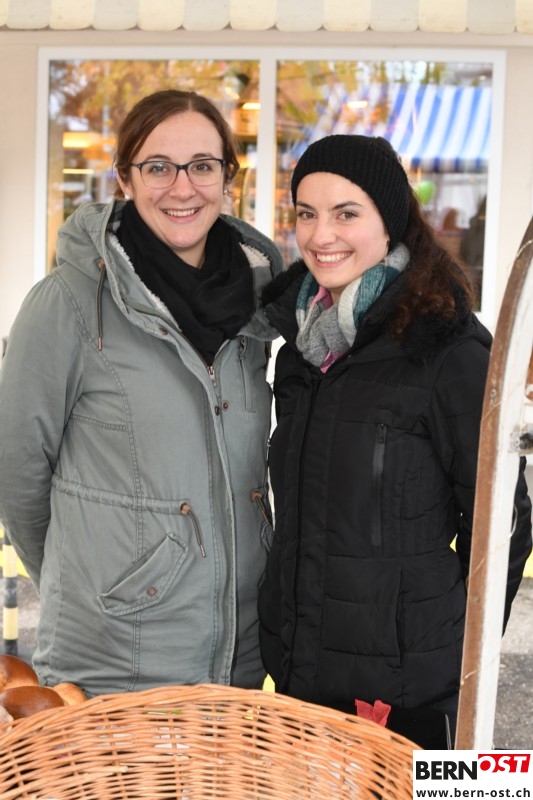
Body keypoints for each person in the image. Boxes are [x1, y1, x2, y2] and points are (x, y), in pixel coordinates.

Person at [0, 90, 282, 697]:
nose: (182, 188)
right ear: (125, 179)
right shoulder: (67, 303)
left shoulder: (259, 304)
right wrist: (99, 585)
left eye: (202, 165)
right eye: (158, 167)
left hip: (239, 654)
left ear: (227, 178)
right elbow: (17, 472)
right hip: (109, 661)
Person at [257, 135, 532, 749]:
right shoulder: (301, 351)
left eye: (346, 213)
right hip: (303, 677)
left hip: (412, 693)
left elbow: (503, 523)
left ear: (390, 222)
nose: (321, 235)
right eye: (307, 213)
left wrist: (455, 645)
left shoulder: (447, 348)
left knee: (439, 792)